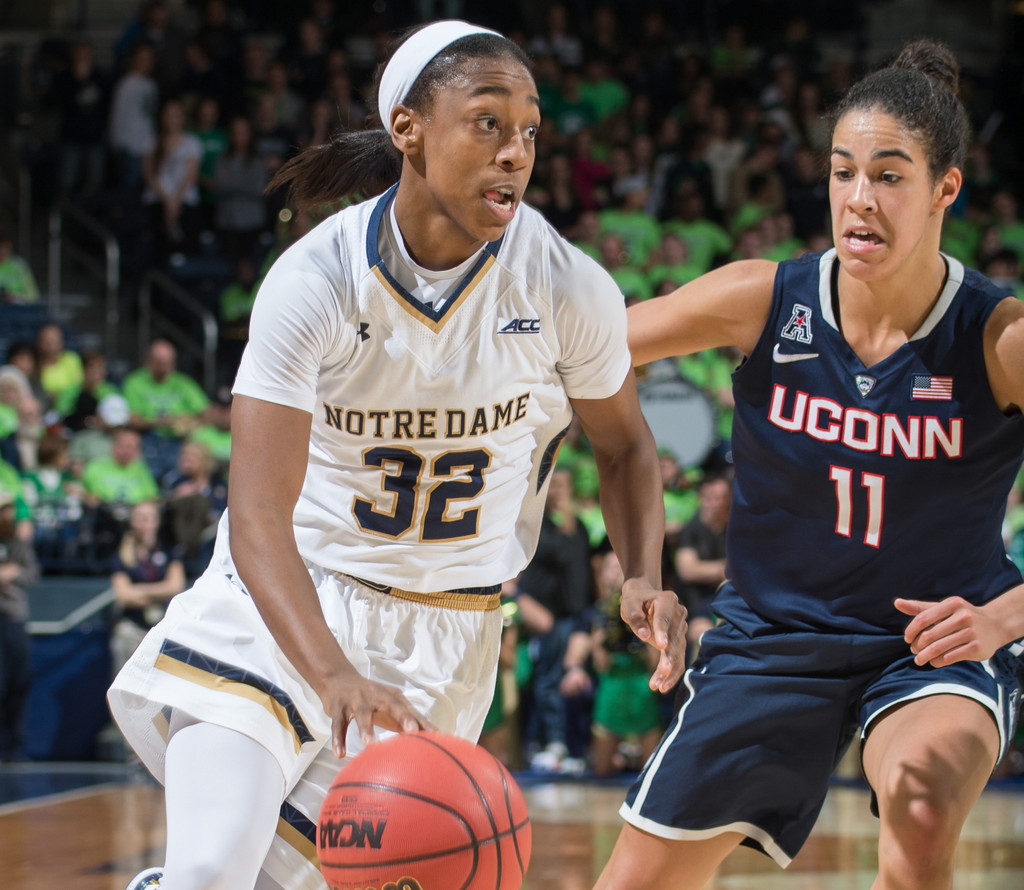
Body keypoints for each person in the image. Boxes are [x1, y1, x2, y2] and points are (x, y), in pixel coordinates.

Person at [110, 21, 686, 890]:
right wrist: (331, 671)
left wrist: (639, 570)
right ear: (408, 129)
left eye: (529, 130)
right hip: (284, 597)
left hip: (445, 630)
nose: (515, 152)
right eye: (487, 122)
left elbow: (628, 445)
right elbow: (258, 511)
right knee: (208, 868)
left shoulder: (566, 285)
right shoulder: (316, 280)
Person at [594, 40, 1024, 890]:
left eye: (890, 175)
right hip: (772, 637)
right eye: (842, 172)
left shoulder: (996, 337)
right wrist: (642, 570)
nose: (859, 200)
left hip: (930, 643)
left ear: (947, 188)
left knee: (923, 801)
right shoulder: (763, 298)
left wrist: (1006, 617)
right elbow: (582, 354)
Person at [109, 499, 186, 675]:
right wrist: (160, 591)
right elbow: (123, 595)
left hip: (162, 628)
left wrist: (140, 590)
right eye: (141, 518)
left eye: (151, 518)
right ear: (132, 522)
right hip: (132, 628)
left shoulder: (168, 550)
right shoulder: (122, 554)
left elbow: (175, 586)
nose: (147, 524)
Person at [0, 488, 39, 763]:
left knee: (19, 678)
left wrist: (14, 573)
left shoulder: (17, 543)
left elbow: (31, 574)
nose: (9, 514)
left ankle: (13, 745)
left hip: (13, 617)